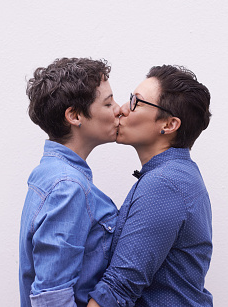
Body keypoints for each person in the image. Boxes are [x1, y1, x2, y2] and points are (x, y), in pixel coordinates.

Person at [88, 65, 214, 306]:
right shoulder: (177, 175)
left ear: (168, 125)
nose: (122, 109)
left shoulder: (165, 184)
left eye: (136, 102)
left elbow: (119, 287)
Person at [19, 58, 120, 307]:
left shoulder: (50, 174)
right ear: (74, 116)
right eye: (108, 103)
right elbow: (52, 298)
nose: (119, 109)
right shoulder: (67, 186)